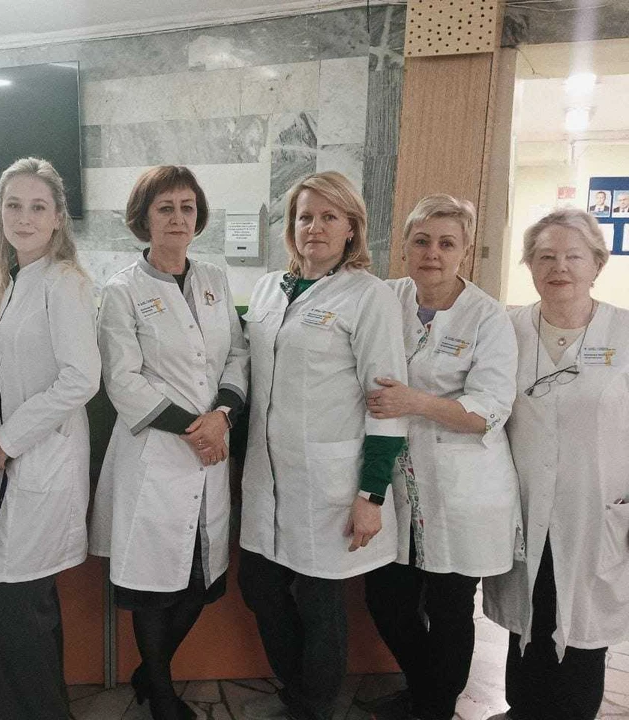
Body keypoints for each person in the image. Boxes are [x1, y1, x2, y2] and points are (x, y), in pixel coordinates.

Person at [238, 171, 407, 720]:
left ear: (352, 228)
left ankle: (313, 707)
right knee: (259, 586)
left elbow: (386, 403)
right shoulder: (268, 289)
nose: (314, 227)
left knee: (319, 600)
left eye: (329, 217)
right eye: (305, 216)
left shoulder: (369, 296)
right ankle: (299, 689)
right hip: (267, 476)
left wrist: (371, 495)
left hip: (330, 481)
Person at [90, 165, 249, 720]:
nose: (178, 218)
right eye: (165, 208)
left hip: (211, 447)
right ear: (144, 218)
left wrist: (222, 415)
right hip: (155, 455)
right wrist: (195, 427)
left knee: (200, 582)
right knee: (153, 585)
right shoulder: (122, 291)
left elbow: (237, 354)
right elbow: (122, 381)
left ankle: (147, 672)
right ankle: (160, 694)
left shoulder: (214, 279)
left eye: (187, 207)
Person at [360, 195, 520, 720]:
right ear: (404, 246)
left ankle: (433, 707)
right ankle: (425, 690)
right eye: (422, 241)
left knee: (450, 608)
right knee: (386, 599)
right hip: (396, 481)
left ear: (464, 251)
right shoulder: (386, 297)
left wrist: (415, 402)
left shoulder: (487, 317)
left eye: (447, 243)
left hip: (462, 487)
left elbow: (490, 410)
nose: (433, 253)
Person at [483, 208, 629, 720]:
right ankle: (520, 710)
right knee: (530, 614)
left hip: (598, 507)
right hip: (522, 504)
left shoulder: (625, 333)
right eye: (545, 256)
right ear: (529, 264)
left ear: (597, 264)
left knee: (582, 622)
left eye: (573, 256)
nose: (559, 267)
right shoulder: (506, 328)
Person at [0, 157, 101, 720]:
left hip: (44, 461)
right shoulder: (9, 282)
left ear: (57, 219)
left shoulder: (64, 281)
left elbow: (81, 378)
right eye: (14, 206)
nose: (24, 218)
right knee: (27, 607)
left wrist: (9, 438)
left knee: (13, 605)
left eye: (37, 207)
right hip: (12, 463)